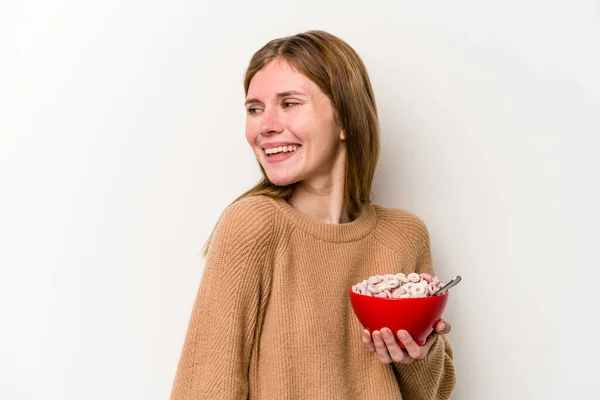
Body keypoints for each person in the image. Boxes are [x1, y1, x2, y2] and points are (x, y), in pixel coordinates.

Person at [170, 30, 456, 399]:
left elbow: (432, 392)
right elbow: (204, 388)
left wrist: (416, 353)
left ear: (344, 119)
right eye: (254, 108)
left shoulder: (403, 234)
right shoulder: (254, 224)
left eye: (289, 103)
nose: (265, 125)